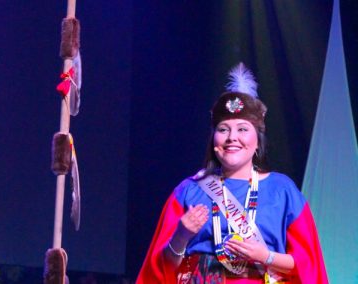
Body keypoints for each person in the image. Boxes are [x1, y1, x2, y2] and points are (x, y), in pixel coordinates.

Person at [136, 63, 328, 284]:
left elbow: (307, 263)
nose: (232, 138)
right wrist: (181, 235)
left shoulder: (282, 190)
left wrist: (265, 256)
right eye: (223, 129)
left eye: (243, 129)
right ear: (214, 138)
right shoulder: (189, 190)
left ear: (257, 142)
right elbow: (161, 271)